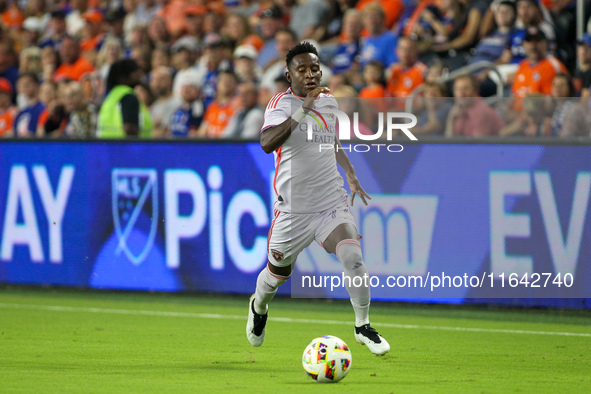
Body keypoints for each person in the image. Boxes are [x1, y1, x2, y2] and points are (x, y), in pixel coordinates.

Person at [246, 41, 390, 356]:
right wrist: (303, 109)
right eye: (302, 69)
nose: (310, 74)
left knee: (352, 256)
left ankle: (362, 326)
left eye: (314, 68)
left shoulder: (327, 101)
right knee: (275, 278)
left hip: (330, 203)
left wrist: (350, 173)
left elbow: (329, 138)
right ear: (289, 75)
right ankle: (258, 308)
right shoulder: (280, 104)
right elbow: (267, 143)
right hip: (293, 211)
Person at [96, 59, 153, 138]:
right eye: (134, 72)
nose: (139, 76)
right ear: (123, 78)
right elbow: (129, 128)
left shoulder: (110, 98)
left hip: (108, 148)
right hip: (127, 149)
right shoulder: (128, 97)